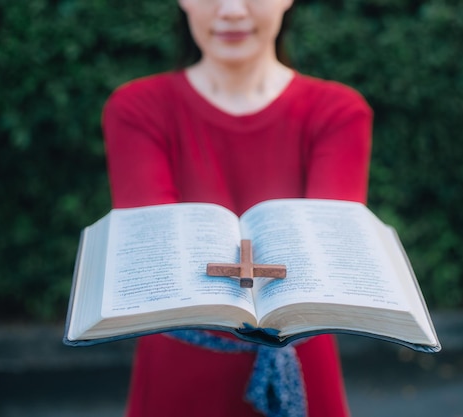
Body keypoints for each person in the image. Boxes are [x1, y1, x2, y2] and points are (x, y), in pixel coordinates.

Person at [102, 0, 373, 416]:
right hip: (181, 367)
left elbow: (325, 255)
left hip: (298, 353)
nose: (230, 10)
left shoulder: (338, 110)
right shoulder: (137, 107)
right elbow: (156, 251)